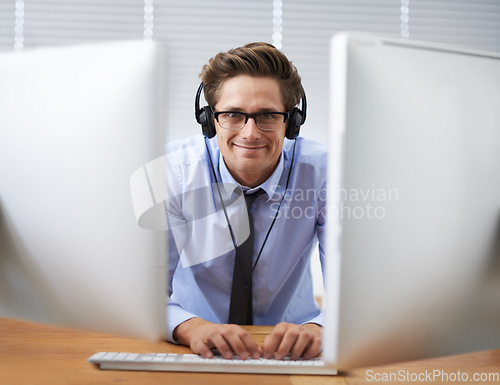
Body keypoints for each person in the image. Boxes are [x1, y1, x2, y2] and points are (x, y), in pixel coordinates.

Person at [165, 42, 327, 361]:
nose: (250, 133)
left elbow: (355, 297)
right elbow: (141, 294)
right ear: (209, 119)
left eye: (267, 115)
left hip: (294, 350)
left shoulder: (325, 174)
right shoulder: (173, 171)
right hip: (193, 346)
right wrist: (190, 327)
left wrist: (320, 329)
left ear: (292, 122)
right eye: (233, 115)